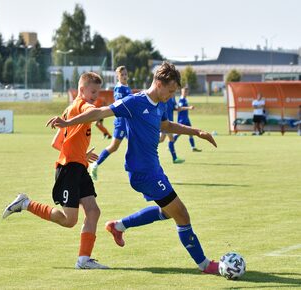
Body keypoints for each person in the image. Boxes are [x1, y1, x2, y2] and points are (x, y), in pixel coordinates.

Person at [47, 62, 220, 275]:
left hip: (154, 168)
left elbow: (165, 126)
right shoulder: (135, 102)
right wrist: (67, 123)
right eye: (170, 90)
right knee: (182, 215)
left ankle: (118, 226)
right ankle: (205, 265)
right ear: (158, 83)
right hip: (142, 172)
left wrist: (197, 132)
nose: (171, 95)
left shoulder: (160, 104)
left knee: (167, 212)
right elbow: (100, 112)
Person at [2, 72, 109, 270]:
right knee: (69, 221)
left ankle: (84, 260)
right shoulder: (81, 106)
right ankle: (25, 203)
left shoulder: (69, 109)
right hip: (69, 168)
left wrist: (80, 154)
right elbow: (92, 111)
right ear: (82, 89)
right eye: (93, 91)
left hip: (78, 166)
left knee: (93, 211)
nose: (95, 96)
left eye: (98, 92)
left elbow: (57, 142)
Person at [90, 66, 132, 180]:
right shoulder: (119, 89)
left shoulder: (126, 87)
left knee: (135, 145)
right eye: (122, 74)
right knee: (114, 147)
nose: (124, 76)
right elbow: (120, 104)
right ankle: (95, 164)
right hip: (121, 122)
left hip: (128, 122)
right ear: (117, 76)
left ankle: (134, 169)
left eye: (125, 74)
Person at [173, 87, 202, 151]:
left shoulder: (185, 99)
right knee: (178, 133)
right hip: (182, 119)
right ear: (182, 92)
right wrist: (189, 108)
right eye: (184, 92)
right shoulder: (181, 99)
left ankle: (193, 147)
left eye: (186, 92)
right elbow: (179, 108)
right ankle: (171, 144)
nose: (185, 93)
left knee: (191, 132)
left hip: (186, 119)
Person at [159, 95, 185, 164]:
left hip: (170, 122)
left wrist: (178, 108)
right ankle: (175, 158)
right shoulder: (164, 96)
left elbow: (174, 107)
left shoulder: (173, 97)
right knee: (171, 139)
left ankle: (146, 145)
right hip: (165, 122)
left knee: (161, 140)